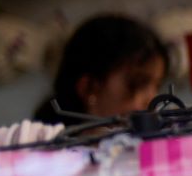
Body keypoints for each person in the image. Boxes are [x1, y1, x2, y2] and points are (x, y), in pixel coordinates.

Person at [38, 15, 166, 121]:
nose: (152, 100)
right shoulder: (48, 148)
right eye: (137, 84)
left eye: (157, 86)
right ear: (88, 88)